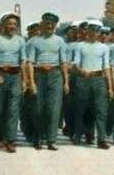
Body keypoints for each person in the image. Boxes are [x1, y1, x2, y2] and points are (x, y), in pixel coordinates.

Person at [26, 12, 70, 151]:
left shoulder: (60, 41)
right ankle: (37, 138)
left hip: (56, 75)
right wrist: (31, 82)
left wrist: (66, 82)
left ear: (55, 26)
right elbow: (30, 63)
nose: (49, 26)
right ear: (42, 24)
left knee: (54, 109)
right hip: (39, 75)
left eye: (52, 24)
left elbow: (63, 62)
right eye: (47, 23)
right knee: (38, 108)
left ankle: (51, 140)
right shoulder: (34, 41)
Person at [0, 13, 27, 153]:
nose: (12, 27)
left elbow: (23, 61)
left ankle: (11, 140)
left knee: (13, 109)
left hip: (15, 76)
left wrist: (24, 80)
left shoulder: (20, 40)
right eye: (9, 24)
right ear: (3, 25)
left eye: (14, 24)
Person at [71, 19, 113, 149]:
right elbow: (75, 64)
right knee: (81, 108)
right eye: (91, 30)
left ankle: (101, 139)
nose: (94, 33)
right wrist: (81, 71)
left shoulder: (104, 48)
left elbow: (106, 67)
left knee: (101, 110)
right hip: (83, 79)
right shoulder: (80, 46)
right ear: (87, 31)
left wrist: (110, 86)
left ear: (100, 32)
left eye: (97, 31)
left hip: (99, 79)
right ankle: (77, 135)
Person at [20, 21, 40, 143]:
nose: (37, 32)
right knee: (29, 107)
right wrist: (26, 80)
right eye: (34, 30)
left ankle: (37, 132)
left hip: (39, 76)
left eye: (38, 30)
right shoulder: (27, 45)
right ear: (30, 32)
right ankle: (28, 130)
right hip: (28, 77)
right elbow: (25, 63)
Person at [61, 21, 80, 138]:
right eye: (71, 31)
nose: (73, 33)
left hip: (79, 76)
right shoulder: (64, 45)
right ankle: (69, 126)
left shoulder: (82, 45)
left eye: (76, 31)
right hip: (67, 76)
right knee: (67, 104)